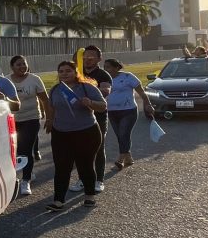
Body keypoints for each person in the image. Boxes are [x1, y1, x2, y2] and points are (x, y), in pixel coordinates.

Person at [45, 61, 107, 210]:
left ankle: (89, 196)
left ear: (75, 72)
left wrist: (90, 102)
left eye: (68, 71)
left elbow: (103, 106)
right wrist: (49, 120)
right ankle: (59, 201)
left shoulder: (87, 88)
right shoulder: (55, 89)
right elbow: (51, 107)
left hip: (86, 132)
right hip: (61, 133)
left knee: (85, 165)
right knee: (61, 167)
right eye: (61, 71)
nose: (64, 74)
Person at [70, 45, 111, 194]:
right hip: (78, 118)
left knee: (98, 148)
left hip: (98, 117)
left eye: (91, 57)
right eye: (85, 56)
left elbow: (105, 91)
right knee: (80, 150)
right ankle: (83, 179)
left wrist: (85, 92)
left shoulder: (103, 75)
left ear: (99, 59)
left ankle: (99, 180)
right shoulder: (76, 74)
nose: (87, 59)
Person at [102, 59, 156, 169]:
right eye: (105, 67)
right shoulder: (103, 79)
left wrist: (148, 104)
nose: (106, 69)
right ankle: (128, 157)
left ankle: (120, 159)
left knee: (123, 133)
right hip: (111, 112)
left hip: (128, 111)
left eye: (108, 67)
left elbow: (141, 92)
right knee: (121, 136)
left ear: (116, 68)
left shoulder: (128, 77)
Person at [8, 55, 50, 196]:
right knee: (17, 149)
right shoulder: (7, 81)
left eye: (24, 64)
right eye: (18, 65)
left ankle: (25, 180)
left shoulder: (34, 79)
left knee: (26, 149)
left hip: (31, 118)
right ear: (12, 67)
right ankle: (27, 170)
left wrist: (49, 118)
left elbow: (45, 99)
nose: (22, 67)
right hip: (13, 120)